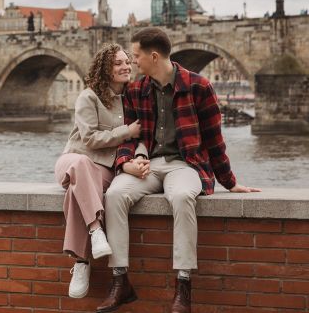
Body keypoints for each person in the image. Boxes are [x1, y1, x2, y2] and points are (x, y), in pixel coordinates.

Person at [97, 27, 261, 313]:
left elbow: (213, 138)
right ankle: (120, 280)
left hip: (186, 164)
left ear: (154, 56)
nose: (133, 62)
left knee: (183, 196)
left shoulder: (198, 86)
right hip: (147, 165)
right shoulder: (135, 90)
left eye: (136, 56)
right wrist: (126, 163)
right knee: (114, 195)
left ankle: (183, 284)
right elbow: (130, 137)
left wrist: (229, 182)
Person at [55, 44, 141, 299]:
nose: (125, 66)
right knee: (80, 168)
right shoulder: (88, 97)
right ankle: (95, 231)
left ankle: (81, 262)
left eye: (127, 61)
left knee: (77, 192)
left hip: (103, 168)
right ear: (105, 68)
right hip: (74, 158)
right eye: (118, 63)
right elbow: (90, 139)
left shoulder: (131, 99)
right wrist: (126, 131)